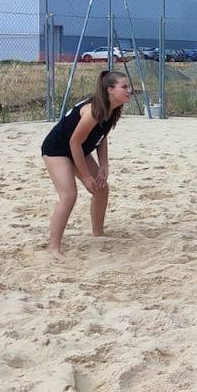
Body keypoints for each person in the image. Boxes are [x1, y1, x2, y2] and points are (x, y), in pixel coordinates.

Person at [39, 70, 133, 258]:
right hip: (57, 150)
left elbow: (101, 138)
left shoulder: (113, 108)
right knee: (69, 195)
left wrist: (104, 165)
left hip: (78, 150)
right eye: (124, 87)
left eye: (128, 86)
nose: (129, 90)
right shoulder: (93, 111)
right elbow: (74, 142)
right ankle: (53, 247)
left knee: (101, 188)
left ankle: (98, 233)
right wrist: (86, 175)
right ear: (110, 90)